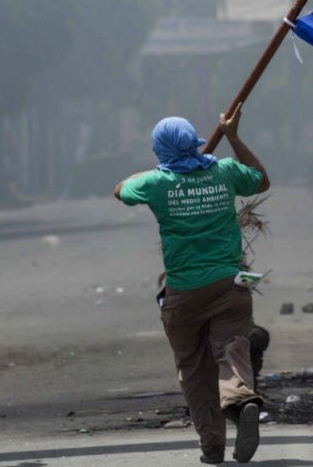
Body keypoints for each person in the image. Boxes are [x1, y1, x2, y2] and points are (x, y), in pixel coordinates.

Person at [115, 105, 269, 464]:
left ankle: (212, 445)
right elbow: (260, 180)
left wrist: (163, 168)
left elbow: (120, 190)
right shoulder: (225, 171)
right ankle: (241, 400)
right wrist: (232, 136)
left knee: (194, 369)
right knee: (232, 349)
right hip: (231, 285)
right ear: (196, 145)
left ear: (160, 152)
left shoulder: (156, 183)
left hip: (184, 292)